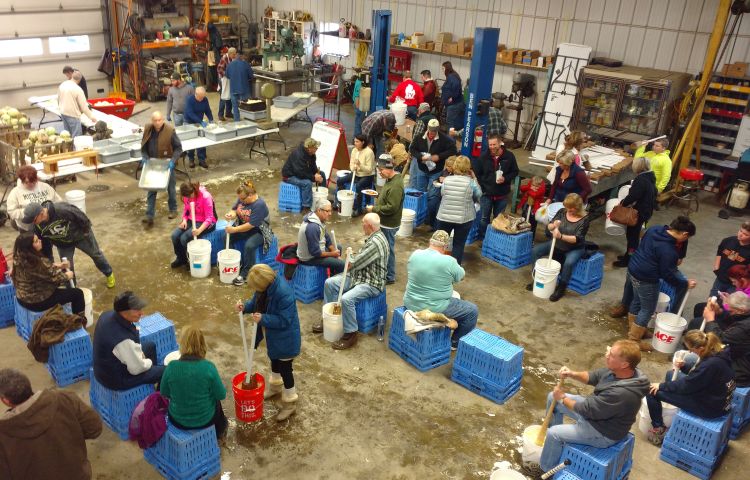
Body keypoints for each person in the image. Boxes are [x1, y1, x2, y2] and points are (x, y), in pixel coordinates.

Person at [531, 340, 649, 473]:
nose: (607, 355)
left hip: (602, 432)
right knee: (552, 397)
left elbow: (587, 410)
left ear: (624, 364)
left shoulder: (622, 393)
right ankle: (554, 448)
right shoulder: (621, 372)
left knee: (554, 433)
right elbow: (593, 376)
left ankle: (546, 470)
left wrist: (563, 398)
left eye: (611, 355)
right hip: (596, 413)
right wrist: (571, 374)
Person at [611, 216, 697, 351]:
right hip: (646, 278)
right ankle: (634, 340)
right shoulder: (669, 250)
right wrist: (684, 283)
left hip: (633, 269)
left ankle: (637, 328)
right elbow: (667, 274)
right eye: (687, 238)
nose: (686, 240)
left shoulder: (654, 229)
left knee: (637, 301)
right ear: (685, 234)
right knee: (647, 309)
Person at [0, 368, 102, 479]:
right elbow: (95, 428)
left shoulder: (4, 435)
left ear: (6, 401)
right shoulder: (64, 399)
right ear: (28, 385)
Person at [645, 330, 735, 445]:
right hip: (719, 398)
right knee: (670, 374)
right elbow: (702, 377)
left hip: (710, 408)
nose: (691, 352)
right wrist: (684, 366)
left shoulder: (710, 364)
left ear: (701, 348)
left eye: (692, 350)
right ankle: (674, 406)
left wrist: (661, 386)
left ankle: (659, 428)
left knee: (651, 392)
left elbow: (686, 386)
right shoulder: (720, 352)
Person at [237, 264, 301, 421]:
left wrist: (264, 319)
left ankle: (290, 402)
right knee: (274, 361)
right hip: (274, 337)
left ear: (264, 284)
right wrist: (245, 307)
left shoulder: (284, 293)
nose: (256, 291)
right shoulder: (264, 289)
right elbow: (256, 302)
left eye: (257, 288)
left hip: (287, 340)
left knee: (286, 369)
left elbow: (285, 320)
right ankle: (275, 387)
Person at [319, 213, 389, 350]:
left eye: (363, 223)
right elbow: (362, 259)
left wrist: (349, 257)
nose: (362, 225)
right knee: (330, 283)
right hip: (360, 275)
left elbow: (354, 263)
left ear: (369, 225)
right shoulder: (375, 236)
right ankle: (328, 319)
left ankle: (351, 333)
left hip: (371, 281)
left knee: (346, 299)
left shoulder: (376, 242)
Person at [404, 230, 478, 349]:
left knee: (453, 296)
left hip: (410, 301)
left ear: (430, 242)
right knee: (472, 311)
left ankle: (446, 322)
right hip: (433, 307)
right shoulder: (449, 261)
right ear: (445, 246)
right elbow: (461, 275)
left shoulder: (415, 254)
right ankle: (455, 343)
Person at [22, 201, 115, 288]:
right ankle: (72, 289)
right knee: (67, 267)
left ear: (41, 213)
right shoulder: (37, 226)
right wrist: (48, 260)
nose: (32, 223)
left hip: (80, 237)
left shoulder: (62, 209)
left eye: (33, 220)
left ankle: (109, 273)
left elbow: (82, 217)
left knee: (96, 255)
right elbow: (44, 245)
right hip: (63, 244)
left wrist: (86, 233)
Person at [159, 326, 228, 439]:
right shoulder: (208, 367)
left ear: (182, 344)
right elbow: (222, 394)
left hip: (177, 420)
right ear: (202, 344)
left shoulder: (171, 367)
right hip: (205, 420)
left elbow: (164, 392)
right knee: (216, 400)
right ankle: (220, 431)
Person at [92, 291, 165, 390]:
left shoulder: (107, 315)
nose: (141, 313)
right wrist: (148, 363)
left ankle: (151, 380)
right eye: (137, 310)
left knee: (150, 346)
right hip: (114, 379)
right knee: (166, 370)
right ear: (124, 312)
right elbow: (136, 369)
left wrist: (142, 358)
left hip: (105, 366)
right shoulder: (122, 341)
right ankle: (158, 392)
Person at [526, 193, 590, 302]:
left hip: (574, 247)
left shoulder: (585, 219)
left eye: (570, 209)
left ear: (578, 208)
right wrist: (553, 225)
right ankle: (538, 278)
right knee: (536, 251)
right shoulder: (562, 212)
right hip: (557, 243)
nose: (567, 210)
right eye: (567, 207)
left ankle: (561, 288)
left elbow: (577, 239)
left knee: (569, 263)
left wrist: (561, 236)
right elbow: (550, 226)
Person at [10, 231, 85, 317]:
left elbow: (39, 271)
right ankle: (79, 321)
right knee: (77, 293)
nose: (40, 241)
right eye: (36, 241)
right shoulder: (39, 262)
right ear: (29, 247)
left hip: (22, 298)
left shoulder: (19, 257)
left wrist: (59, 266)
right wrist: (68, 275)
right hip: (37, 302)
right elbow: (56, 279)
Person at [409, 118, 458, 227]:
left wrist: (438, 157)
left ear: (437, 130)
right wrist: (420, 157)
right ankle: (419, 217)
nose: (432, 134)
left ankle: (429, 220)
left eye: (434, 132)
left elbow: (453, 150)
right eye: (430, 132)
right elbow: (412, 149)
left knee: (432, 196)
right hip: (422, 169)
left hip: (436, 171)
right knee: (420, 193)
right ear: (427, 129)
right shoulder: (419, 137)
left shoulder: (444, 139)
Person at [694, 292, 750, 386]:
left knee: (698, 364)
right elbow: (735, 319)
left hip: (738, 371)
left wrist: (710, 320)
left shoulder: (745, 327)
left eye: (731, 311)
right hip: (736, 356)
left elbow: (719, 338)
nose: (729, 312)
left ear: (741, 310)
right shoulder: (745, 315)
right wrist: (719, 311)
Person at [436, 156, 481, 265]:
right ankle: (454, 269)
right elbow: (479, 195)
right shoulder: (471, 182)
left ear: (455, 166)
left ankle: (438, 266)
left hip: (444, 216)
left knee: (441, 242)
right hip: (464, 219)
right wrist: (474, 178)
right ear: (468, 168)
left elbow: (443, 194)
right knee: (458, 244)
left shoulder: (446, 180)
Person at [366, 155, 404, 285]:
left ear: (389, 168)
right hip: (386, 221)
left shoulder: (395, 186)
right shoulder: (390, 179)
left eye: (381, 170)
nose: (379, 173)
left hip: (389, 223)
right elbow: (389, 199)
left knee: (388, 249)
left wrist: (374, 209)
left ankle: (389, 276)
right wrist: (379, 196)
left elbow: (392, 208)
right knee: (386, 247)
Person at [613, 156, 657, 268]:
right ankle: (628, 255)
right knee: (633, 235)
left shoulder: (641, 180)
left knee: (632, 237)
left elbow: (633, 196)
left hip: (639, 212)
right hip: (646, 211)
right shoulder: (650, 177)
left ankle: (629, 259)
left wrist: (623, 203)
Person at [224, 181, 271, 286]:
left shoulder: (259, 205)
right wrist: (230, 214)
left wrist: (234, 229)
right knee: (226, 237)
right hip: (244, 227)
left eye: (243, 199)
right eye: (240, 199)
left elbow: (250, 225)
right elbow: (234, 210)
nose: (241, 201)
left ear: (250, 195)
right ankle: (237, 263)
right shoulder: (243, 198)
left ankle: (246, 273)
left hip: (259, 231)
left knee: (249, 246)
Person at [140, 111, 183, 225]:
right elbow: (143, 147)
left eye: (160, 120)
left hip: (167, 164)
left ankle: (173, 210)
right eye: (155, 121)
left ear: (163, 120)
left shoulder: (170, 131)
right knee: (151, 189)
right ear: (152, 121)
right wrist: (144, 156)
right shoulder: (148, 129)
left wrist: (173, 161)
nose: (158, 123)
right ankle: (149, 215)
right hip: (153, 165)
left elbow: (178, 148)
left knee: (171, 188)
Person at [475, 134, 518, 240]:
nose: (492, 147)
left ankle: (494, 239)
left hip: (502, 194)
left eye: (494, 144)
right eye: (490, 144)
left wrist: (505, 179)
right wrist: (483, 187)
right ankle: (483, 238)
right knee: (484, 218)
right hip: (486, 194)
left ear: (500, 143)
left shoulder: (509, 156)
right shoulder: (483, 157)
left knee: (498, 219)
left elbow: (515, 171)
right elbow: (478, 173)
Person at [171, 182, 216, 269]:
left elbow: (209, 218)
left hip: (206, 222)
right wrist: (184, 220)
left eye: (189, 196)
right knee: (174, 236)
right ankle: (181, 259)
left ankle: (190, 259)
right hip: (191, 219)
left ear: (193, 191)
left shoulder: (205, 196)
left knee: (184, 238)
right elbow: (187, 210)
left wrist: (199, 230)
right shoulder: (186, 197)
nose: (188, 198)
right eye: (186, 197)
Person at [297, 200, 345, 275]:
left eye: (330, 211)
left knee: (338, 247)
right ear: (319, 210)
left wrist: (335, 253)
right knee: (342, 264)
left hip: (316, 251)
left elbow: (327, 238)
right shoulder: (312, 227)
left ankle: (332, 273)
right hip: (309, 259)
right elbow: (315, 253)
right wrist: (332, 254)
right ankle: (332, 282)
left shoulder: (319, 219)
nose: (330, 214)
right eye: (327, 211)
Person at [6, 165, 61, 230]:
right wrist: (29, 213)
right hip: (28, 228)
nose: (31, 184)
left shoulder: (45, 187)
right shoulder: (15, 192)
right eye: (27, 182)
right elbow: (11, 212)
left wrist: (49, 210)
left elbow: (59, 202)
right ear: (21, 180)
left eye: (33, 181)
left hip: (48, 225)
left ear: (36, 178)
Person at [335, 134, 375, 216]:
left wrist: (360, 165)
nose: (355, 143)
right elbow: (351, 164)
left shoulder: (369, 152)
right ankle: (339, 202)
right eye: (355, 141)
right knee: (340, 181)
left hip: (367, 175)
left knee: (359, 186)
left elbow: (369, 169)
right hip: (356, 173)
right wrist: (353, 168)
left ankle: (358, 209)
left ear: (363, 142)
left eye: (357, 141)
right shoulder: (354, 150)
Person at [281, 138, 326, 211]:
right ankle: (306, 206)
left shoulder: (311, 154)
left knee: (322, 174)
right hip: (290, 175)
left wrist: (316, 174)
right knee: (307, 183)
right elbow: (299, 173)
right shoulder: (298, 155)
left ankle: (323, 199)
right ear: (309, 148)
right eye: (315, 148)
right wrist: (313, 178)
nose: (317, 149)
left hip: (301, 172)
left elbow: (313, 167)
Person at [709, 222, 750, 296]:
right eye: (740, 231)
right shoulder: (728, 240)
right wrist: (716, 266)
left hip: (735, 285)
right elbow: (719, 252)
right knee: (712, 299)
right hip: (720, 278)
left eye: (745, 234)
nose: (740, 234)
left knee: (727, 305)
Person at [58, 71, 96, 137]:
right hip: (73, 115)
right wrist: (92, 117)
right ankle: (75, 147)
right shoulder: (78, 89)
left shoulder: (63, 85)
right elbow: (84, 107)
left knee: (67, 135)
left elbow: (58, 98)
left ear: (72, 76)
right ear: (79, 80)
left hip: (63, 113)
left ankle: (68, 147)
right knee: (77, 136)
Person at [183, 86, 213, 169]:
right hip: (189, 122)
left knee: (202, 141)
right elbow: (190, 113)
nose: (201, 99)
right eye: (200, 97)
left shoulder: (205, 99)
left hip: (199, 122)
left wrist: (211, 119)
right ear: (195, 94)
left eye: (203, 97)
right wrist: (200, 121)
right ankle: (191, 159)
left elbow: (207, 110)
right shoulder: (190, 100)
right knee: (191, 141)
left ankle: (201, 159)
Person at [226, 53, 254, 121]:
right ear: (242, 57)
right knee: (246, 107)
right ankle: (247, 122)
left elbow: (227, 76)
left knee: (235, 108)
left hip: (233, 89)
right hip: (244, 89)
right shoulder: (245, 64)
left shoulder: (229, 65)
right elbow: (251, 76)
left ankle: (237, 123)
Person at [441, 61, 465, 131]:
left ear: (447, 68)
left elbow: (456, 86)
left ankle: (450, 139)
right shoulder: (452, 76)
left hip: (453, 104)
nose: (442, 70)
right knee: (451, 122)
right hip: (453, 104)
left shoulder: (451, 77)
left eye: (443, 68)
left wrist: (453, 97)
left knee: (450, 122)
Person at [216, 47, 237, 121]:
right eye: (234, 54)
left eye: (235, 54)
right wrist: (228, 74)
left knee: (230, 95)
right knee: (223, 97)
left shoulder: (233, 58)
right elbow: (219, 69)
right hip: (223, 79)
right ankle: (220, 114)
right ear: (230, 53)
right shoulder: (224, 58)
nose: (235, 56)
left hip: (230, 80)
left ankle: (228, 112)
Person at [351, 71, 365, 137]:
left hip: (357, 104)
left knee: (358, 122)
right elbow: (357, 95)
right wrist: (358, 106)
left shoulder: (357, 80)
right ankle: (357, 138)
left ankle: (356, 138)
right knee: (359, 123)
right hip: (358, 104)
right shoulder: (360, 83)